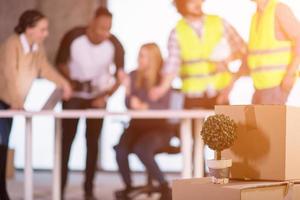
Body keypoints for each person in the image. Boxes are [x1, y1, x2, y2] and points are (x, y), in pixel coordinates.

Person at [0, 10, 72, 200]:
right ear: (29, 29)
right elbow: (9, 76)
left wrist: (64, 84)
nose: (46, 34)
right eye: (42, 30)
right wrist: (16, 102)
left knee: (4, 145)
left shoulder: (36, 48)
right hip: (4, 102)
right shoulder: (11, 45)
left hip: (11, 104)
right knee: (0, 144)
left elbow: (45, 69)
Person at [55, 7, 125, 200]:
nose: (104, 33)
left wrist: (106, 95)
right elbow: (59, 63)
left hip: (98, 98)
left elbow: (121, 77)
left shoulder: (115, 45)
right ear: (92, 22)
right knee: (66, 142)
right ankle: (58, 189)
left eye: (108, 29)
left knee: (92, 143)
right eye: (101, 27)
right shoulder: (73, 37)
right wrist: (71, 81)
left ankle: (88, 190)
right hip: (74, 95)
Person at [150, 0, 247, 109]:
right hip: (192, 97)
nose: (198, 3)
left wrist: (226, 61)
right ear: (182, 4)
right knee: (195, 126)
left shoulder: (219, 22)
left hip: (220, 94)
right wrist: (162, 89)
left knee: (223, 126)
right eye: (192, 1)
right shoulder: (177, 32)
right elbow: (173, 65)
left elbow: (242, 49)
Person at [115, 43, 173, 200]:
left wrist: (146, 106)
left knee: (142, 149)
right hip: (136, 126)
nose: (138, 59)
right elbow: (128, 104)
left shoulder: (163, 79)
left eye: (142, 56)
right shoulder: (133, 76)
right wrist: (127, 90)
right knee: (121, 150)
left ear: (152, 59)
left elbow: (165, 107)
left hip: (159, 128)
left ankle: (164, 186)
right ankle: (128, 186)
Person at [247, 0, 300, 104]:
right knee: (255, 120)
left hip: (278, 84)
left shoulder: (279, 9)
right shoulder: (255, 16)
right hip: (259, 85)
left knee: (269, 119)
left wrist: (290, 73)